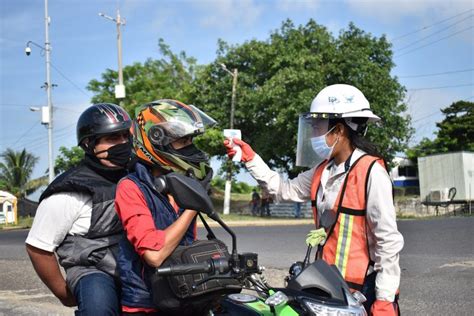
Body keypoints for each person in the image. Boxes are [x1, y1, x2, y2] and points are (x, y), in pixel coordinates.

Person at [224, 84, 404, 315]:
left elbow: (387, 241)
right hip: (327, 285)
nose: (312, 134)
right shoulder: (323, 170)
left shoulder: (371, 172)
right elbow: (283, 189)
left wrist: (385, 299)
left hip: (363, 291)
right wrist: (250, 158)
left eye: (317, 126)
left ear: (338, 131)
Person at [26, 103, 133, 315]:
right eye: (112, 138)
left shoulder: (136, 175)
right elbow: (38, 248)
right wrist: (64, 295)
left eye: (124, 136)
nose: (122, 143)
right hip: (93, 269)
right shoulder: (68, 191)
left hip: (134, 263)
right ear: (89, 144)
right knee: (98, 308)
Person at [114, 99, 216, 314]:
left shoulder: (180, 182)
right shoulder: (130, 188)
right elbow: (154, 254)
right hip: (146, 304)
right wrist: (193, 206)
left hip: (184, 293)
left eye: (190, 140)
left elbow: (186, 243)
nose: (190, 148)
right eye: (182, 141)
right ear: (157, 141)